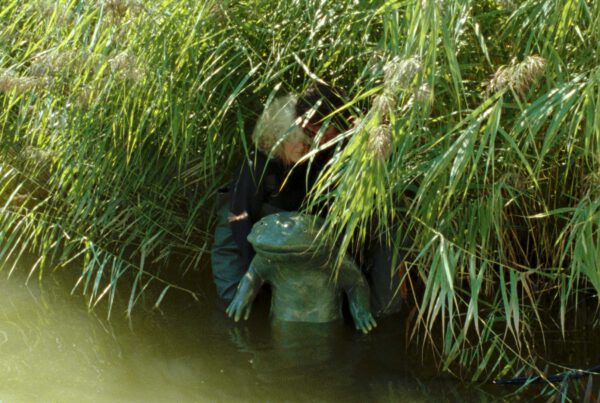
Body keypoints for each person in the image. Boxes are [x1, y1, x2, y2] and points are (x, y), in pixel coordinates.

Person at [211, 83, 403, 316]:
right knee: (234, 301)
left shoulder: (320, 156)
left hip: (302, 242)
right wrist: (259, 272)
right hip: (245, 239)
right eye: (303, 136)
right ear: (279, 136)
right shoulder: (257, 165)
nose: (308, 144)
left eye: (311, 137)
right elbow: (238, 218)